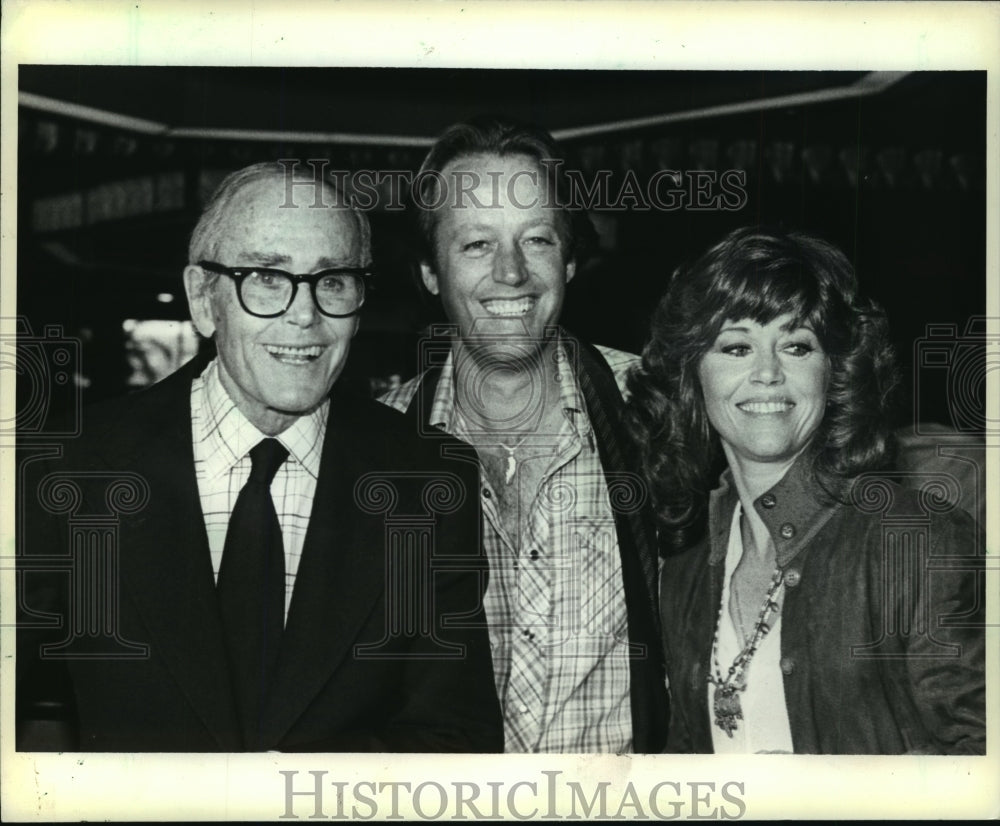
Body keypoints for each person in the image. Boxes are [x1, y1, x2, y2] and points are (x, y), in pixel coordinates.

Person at [17, 161, 502, 753]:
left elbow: (452, 736)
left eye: (333, 280)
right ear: (203, 298)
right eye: (267, 277)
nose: (305, 314)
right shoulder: (64, 468)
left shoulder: (428, 481)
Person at [625, 227, 985, 754]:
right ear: (692, 374)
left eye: (796, 346)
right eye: (736, 346)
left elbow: (982, 759)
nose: (767, 372)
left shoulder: (916, 542)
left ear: (833, 371)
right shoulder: (681, 573)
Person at [381, 117, 668, 753]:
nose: (510, 273)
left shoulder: (657, 409)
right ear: (430, 271)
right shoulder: (376, 445)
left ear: (570, 258)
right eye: (476, 244)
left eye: (535, 239)